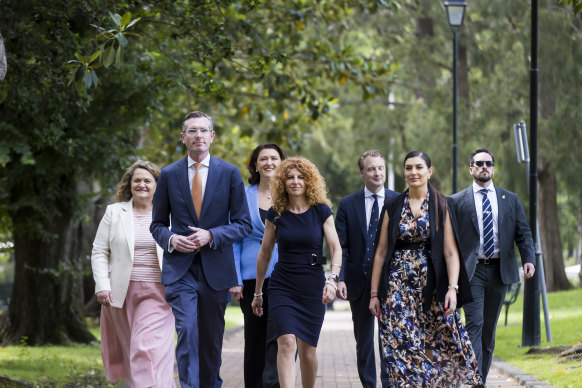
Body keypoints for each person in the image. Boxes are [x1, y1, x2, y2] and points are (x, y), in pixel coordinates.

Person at [150, 111, 252, 388]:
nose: (198, 135)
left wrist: (212, 235)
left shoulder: (229, 173)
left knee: (210, 338)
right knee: (187, 330)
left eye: (203, 130)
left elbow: (243, 224)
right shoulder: (169, 175)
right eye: (192, 131)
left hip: (216, 270)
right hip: (180, 270)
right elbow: (157, 224)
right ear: (183, 138)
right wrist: (171, 239)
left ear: (212, 136)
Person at [369, 151, 482, 387]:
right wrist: (374, 294)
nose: (413, 172)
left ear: (429, 172)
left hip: (433, 287)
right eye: (408, 168)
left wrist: (453, 288)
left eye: (419, 167)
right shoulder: (393, 205)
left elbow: (451, 252)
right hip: (397, 288)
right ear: (404, 172)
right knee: (401, 347)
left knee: (446, 343)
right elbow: (380, 253)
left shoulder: (442, 204)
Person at [251, 157, 342, 388]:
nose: (295, 181)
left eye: (300, 177)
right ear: (282, 181)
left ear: (308, 180)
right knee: (286, 342)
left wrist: (332, 279)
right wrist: (258, 292)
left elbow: (335, 248)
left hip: (312, 285)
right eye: (290, 177)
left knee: (308, 350)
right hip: (283, 285)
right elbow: (264, 254)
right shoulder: (276, 213)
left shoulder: (321, 211)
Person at [448, 147, 535, 384]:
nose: (484, 166)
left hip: (499, 272)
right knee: (474, 324)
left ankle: (480, 379)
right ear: (471, 169)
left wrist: (528, 258)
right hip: (472, 271)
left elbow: (523, 233)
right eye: (479, 163)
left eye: (488, 163)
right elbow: (449, 241)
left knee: (488, 332)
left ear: (493, 168)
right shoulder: (456, 201)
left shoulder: (510, 199)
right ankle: (475, 381)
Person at [91, 160, 176, 388]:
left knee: (145, 347)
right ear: (129, 185)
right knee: (134, 354)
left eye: (147, 180)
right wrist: (102, 284)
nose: (142, 185)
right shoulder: (114, 212)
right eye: (136, 180)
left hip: (159, 291)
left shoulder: (171, 215)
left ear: (158, 185)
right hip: (120, 292)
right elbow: (99, 250)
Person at [335, 150, 398, 388]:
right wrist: (339, 278)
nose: (377, 173)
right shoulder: (347, 204)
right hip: (358, 283)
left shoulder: (397, 201)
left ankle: (388, 384)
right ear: (362, 173)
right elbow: (341, 245)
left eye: (380, 168)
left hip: (390, 283)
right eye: (371, 169)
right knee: (363, 342)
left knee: (389, 340)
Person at [232, 143, 287, 388]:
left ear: (282, 162)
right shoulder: (242, 196)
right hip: (250, 276)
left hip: (287, 275)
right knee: (254, 339)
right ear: (255, 164)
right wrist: (234, 279)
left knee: (284, 337)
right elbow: (233, 241)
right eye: (263, 158)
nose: (269, 163)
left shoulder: (292, 192)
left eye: (274, 158)